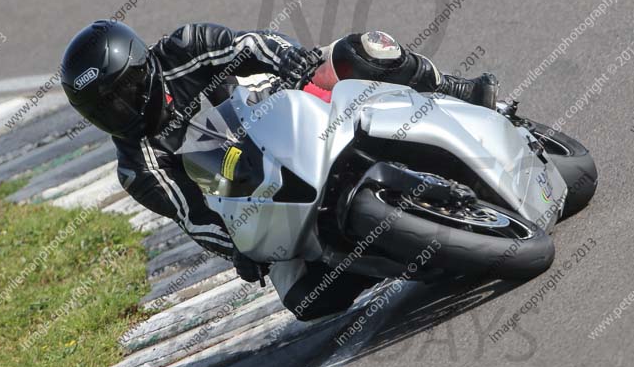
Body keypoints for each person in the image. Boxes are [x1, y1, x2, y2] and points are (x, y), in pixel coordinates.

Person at [60, 20, 498, 320]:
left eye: (123, 94)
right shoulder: (138, 167)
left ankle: (455, 89)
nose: (120, 111)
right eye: (105, 111)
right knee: (305, 300)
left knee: (352, 53)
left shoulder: (185, 47)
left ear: (143, 68)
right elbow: (196, 218)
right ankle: (396, 253)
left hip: (286, 112)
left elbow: (249, 45)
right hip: (263, 193)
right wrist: (238, 249)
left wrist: (288, 60)